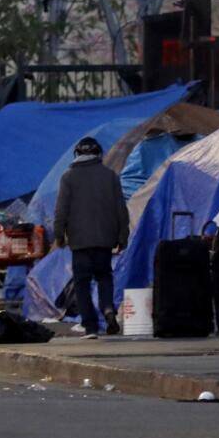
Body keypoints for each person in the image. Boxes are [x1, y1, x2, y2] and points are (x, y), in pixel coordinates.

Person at [54, 137, 129, 339]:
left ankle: (90, 327)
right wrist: (123, 237)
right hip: (105, 239)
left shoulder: (68, 177)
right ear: (99, 154)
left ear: (77, 154)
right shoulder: (110, 176)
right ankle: (107, 308)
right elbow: (121, 209)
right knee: (104, 276)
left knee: (82, 283)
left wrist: (59, 235)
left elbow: (61, 210)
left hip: (79, 241)